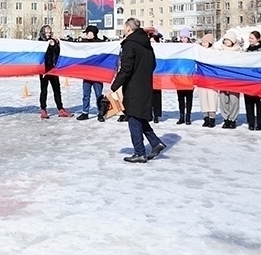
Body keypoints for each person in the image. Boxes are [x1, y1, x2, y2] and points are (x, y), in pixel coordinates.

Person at [109, 18, 165, 163]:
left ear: (128, 28)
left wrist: (115, 85)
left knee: (133, 118)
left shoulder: (130, 44)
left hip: (134, 87)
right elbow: (153, 64)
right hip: (145, 84)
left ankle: (140, 152)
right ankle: (155, 142)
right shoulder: (146, 44)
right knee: (138, 116)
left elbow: (126, 68)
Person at [38, 24, 72, 119]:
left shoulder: (53, 41)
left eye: (49, 32)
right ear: (43, 32)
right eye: (46, 32)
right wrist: (42, 70)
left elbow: (58, 52)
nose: (48, 34)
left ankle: (60, 109)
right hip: (44, 70)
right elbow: (40, 56)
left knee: (57, 90)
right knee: (44, 90)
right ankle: (43, 109)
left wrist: (55, 45)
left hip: (54, 69)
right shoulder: (40, 42)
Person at [76, 25, 103, 121]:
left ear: (92, 33)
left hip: (97, 74)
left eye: (87, 33)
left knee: (99, 95)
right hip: (87, 74)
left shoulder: (101, 44)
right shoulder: (84, 43)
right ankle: (85, 112)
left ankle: (100, 113)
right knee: (86, 94)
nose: (86, 35)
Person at [243, 31, 261, 130]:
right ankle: (251, 122)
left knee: (259, 103)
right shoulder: (247, 50)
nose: (250, 40)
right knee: (249, 103)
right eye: (249, 38)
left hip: (259, 80)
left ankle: (260, 122)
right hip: (249, 80)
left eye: (252, 38)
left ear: (258, 39)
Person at [218, 30, 242, 129]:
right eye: (225, 40)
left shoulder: (239, 51)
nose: (226, 42)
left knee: (234, 99)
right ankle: (226, 118)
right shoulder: (220, 51)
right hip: (223, 77)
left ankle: (233, 119)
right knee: (223, 99)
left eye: (228, 40)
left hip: (234, 78)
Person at [196, 34, 218, 127]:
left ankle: (212, 117)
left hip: (211, 78)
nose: (203, 44)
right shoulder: (199, 52)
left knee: (211, 98)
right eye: (202, 42)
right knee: (203, 98)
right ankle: (205, 117)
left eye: (205, 42)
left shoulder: (214, 52)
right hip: (202, 78)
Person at [176, 27, 194, 125]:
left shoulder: (192, 47)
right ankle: (181, 116)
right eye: (181, 37)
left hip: (189, 77)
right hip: (179, 77)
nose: (183, 39)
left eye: (185, 37)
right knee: (180, 98)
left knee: (189, 98)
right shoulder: (177, 48)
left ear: (188, 38)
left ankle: (188, 117)